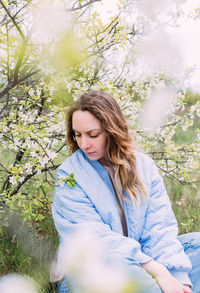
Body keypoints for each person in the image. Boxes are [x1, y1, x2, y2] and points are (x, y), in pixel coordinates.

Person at [51, 90, 200, 293]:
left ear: (113, 131)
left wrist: (179, 280)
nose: (84, 144)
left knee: (197, 244)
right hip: (91, 267)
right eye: (77, 135)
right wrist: (158, 271)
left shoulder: (144, 167)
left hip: (141, 259)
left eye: (93, 135)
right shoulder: (69, 175)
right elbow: (95, 242)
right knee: (126, 272)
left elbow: (160, 229)